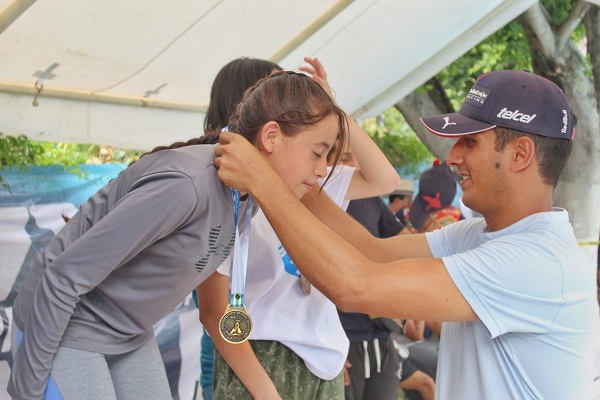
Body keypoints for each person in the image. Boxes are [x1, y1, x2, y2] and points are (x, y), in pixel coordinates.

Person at [214, 69, 600, 399]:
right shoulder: (479, 235)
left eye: (470, 141)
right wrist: (290, 166)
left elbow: (357, 288)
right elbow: (368, 250)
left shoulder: (536, 262)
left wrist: (265, 182)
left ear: (520, 154)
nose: (453, 157)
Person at [8, 70, 349, 400]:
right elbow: (62, 278)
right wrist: (26, 392)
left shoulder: (248, 196)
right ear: (272, 136)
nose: (321, 171)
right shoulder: (187, 186)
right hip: (68, 323)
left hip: (128, 334)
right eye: (317, 153)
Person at [198, 57, 401, 399]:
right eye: (280, 92)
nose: (322, 168)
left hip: (323, 365)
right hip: (258, 365)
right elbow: (214, 309)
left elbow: (386, 179)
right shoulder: (222, 195)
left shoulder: (308, 188)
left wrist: (331, 109)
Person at [196, 56, 283, 400]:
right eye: (278, 94)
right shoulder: (210, 182)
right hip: (233, 365)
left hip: (255, 363)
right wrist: (268, 394)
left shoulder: (262, 185)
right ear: (244, 104)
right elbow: (214, 308)